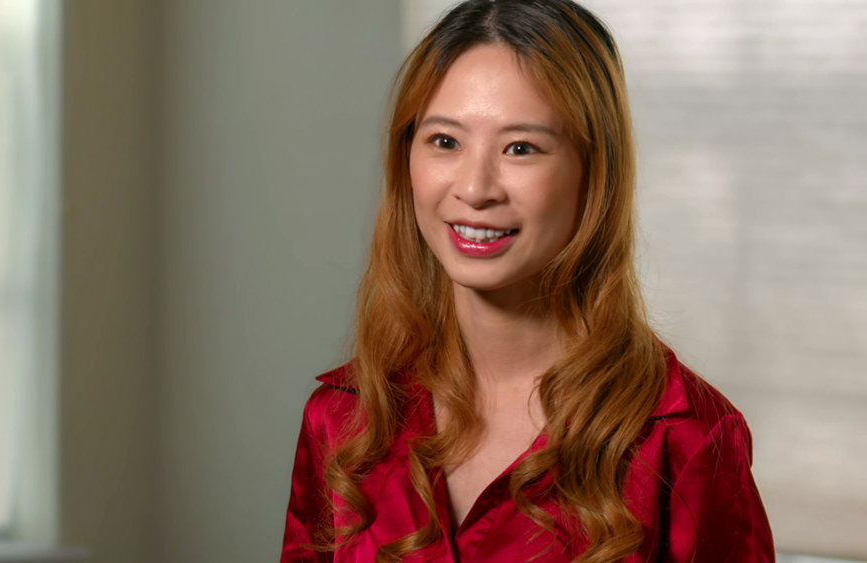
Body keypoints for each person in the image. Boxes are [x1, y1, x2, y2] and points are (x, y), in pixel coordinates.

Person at [281, 0, 774, 561]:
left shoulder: (687, 440)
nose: (475, 188)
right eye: (445, 141)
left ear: (594, 172)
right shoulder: (344, 419)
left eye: (521, 148)